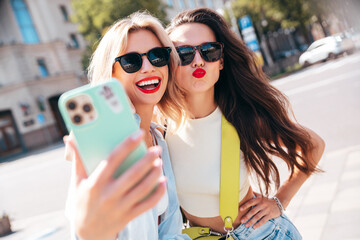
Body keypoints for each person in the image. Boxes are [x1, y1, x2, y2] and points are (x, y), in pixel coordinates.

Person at [165, 8, 325, 239]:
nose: (198, 61)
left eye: (209, 51)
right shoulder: (161, 125)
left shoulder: (241, 117)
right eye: (184, 54)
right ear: (171, 63)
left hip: (262, 234)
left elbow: (313, 145)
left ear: (220, 61)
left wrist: (280, 201)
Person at [64, 11, 191, 240]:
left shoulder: (158, 138)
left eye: (157, 56)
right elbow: (85, 228)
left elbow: (170, 232)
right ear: (111, 74)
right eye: (131, 61)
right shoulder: (106, 144)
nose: (147, 67)